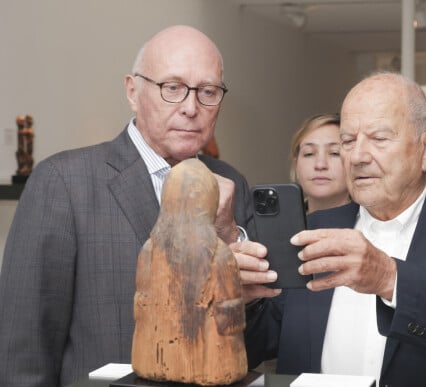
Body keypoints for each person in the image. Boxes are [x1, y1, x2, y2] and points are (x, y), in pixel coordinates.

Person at [0, 25, 260, 387]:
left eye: (208, 91)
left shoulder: (232, 184)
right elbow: (23, 346)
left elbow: (259, 338)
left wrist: (229, 239)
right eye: (172, 88)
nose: (191, 108)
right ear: (133, 91)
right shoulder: (63, 181)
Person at [241, 72, 426, 387]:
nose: (358, 157)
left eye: (379, 138)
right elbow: (256, 345)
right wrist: (242, 302)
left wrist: (390, 279)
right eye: (348, 141)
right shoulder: (312, 232)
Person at [289, 113, 350, 213]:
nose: (320, 165)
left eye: (335, 153)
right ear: (296, 165)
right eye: (309, 153)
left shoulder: (374, 225)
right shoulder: (281, 225)